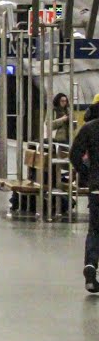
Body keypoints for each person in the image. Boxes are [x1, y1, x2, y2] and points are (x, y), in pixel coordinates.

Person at [67, 105, 99, 293]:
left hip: (97, 189)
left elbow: (74, 155)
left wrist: (86, 174)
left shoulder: (89, 128)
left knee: (95, 230)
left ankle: (91, 266)